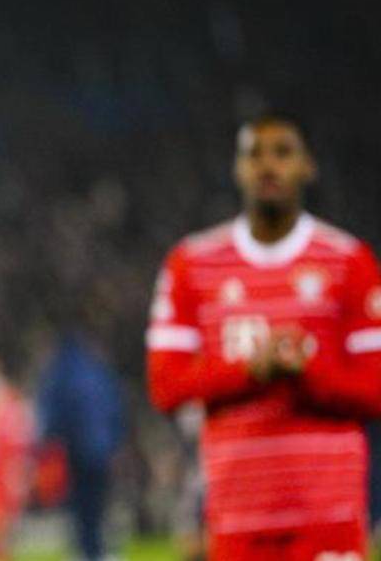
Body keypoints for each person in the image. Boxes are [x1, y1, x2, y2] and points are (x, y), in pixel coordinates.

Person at [146, 115, 381, 560]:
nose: (268, 165)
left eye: (283, 152)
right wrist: (252, 370)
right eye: (254, 154)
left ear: (308, 165)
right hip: (239, 521)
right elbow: (166, 386)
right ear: (238, 168)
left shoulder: (350, 261)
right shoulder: (192, 264)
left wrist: (306, 372)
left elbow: (375, 390)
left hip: (328, 518)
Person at [37, 331, 124, 561]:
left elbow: (56, 410)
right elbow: (115, 408)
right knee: (98, 502)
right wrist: (115, 441)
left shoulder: (63, 373)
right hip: (102, 448)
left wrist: (47, 440)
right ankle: (100, 549)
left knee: (82, 505)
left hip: (78, 449)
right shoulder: (99, 372)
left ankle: (89, 550)